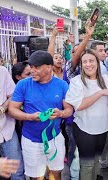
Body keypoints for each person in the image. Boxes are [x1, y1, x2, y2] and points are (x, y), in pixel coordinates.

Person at [9, 50, 74, 180]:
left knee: (55, 174)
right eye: (31, 67)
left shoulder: (62, 85)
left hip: (55, 138)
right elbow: (12, 109)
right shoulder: (23, 84)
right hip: (31, 141)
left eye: (37, 67)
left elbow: (69, 110)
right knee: (36, 177)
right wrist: (30, 117)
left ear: (49, 67)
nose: (32, 70)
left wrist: (60, 113)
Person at [65, 49, 108, 179]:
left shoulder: (105, 79)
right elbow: (79, 105)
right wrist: (100, 93)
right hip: (84, 129)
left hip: (103, 127)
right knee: (87, 164)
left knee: (97, 161)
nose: (88, 64)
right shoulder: (77, 81)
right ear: (81, 65)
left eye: (91, 61)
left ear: (97, 63)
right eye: (84, 62)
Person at [0, 66, 25, 180]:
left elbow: (13, 95)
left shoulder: (2, 71)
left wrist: (3, 108)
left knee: (17, 170)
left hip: (7, 130)